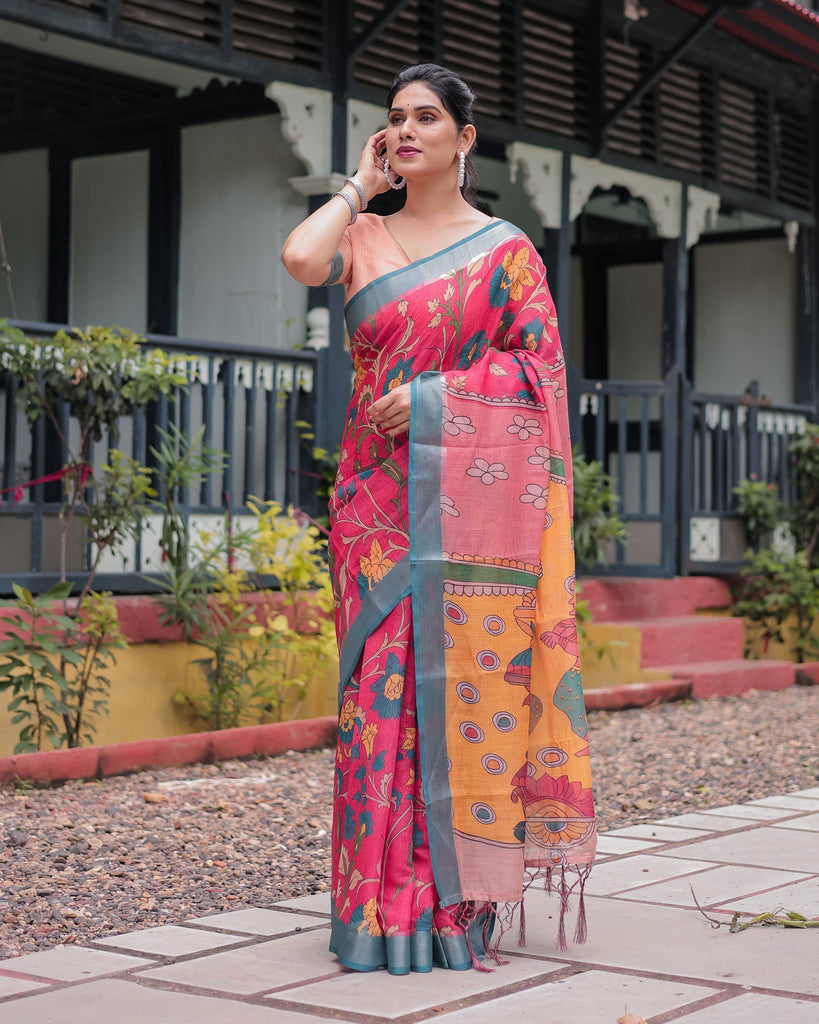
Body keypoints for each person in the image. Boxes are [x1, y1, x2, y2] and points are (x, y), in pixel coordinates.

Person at [281, 63, 596, 976]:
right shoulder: (363, 236)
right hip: (372, 503)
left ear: (465, 138)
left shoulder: (505, 253)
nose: (408, 130)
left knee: (459, 687)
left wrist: (434, 398)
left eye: (427, 117)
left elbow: (540, 376)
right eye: (395, 119)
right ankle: (375, 907)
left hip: (464, 510)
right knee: (377, 698)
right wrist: (357, 184)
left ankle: (447, 907)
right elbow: (299, 259)